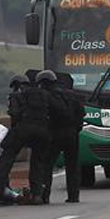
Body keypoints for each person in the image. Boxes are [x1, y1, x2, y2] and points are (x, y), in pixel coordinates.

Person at [0, 70, 54, 205]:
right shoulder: (44, 94)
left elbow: (15, 114)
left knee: (7, 155)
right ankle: (37, 193)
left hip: (23, 129)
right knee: (38, 162)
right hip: (42, 130)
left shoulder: (16, 95)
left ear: (16, 85)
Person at [40, 71, 86, 203]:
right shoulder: (72, 95)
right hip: (72, 133)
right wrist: (77, 128)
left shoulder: (46, 96)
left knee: (47, 165)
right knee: (72, 165)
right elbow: (82, 113)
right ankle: (74, 196)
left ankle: (44, 196)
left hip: (54, 133)